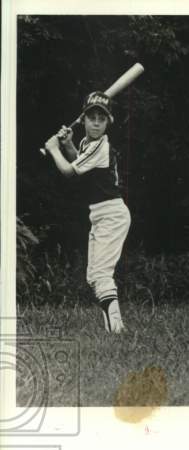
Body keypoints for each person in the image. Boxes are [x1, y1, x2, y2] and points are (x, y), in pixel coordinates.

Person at [43, 92, 131, 334]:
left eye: (101, 119)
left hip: (112, 214)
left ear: (108, 122)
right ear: (82, 120)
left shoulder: (101, 146)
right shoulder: (87, 145)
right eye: (91, 117)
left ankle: (117, 330)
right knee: (93, 276)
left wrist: (53, 149)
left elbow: (70, 171)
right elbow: (79, 160)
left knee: (101, 274)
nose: (95, 122)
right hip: (101, 215)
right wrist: (69, 144)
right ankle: (112, 330)